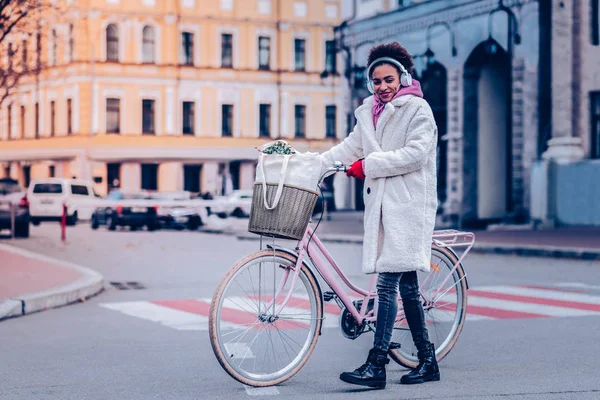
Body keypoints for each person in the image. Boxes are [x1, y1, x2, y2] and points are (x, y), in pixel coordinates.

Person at [319, 42, 439, 389]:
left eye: (389, 79)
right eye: (376, 81)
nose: (383, 87)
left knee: (387, 284)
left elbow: (416, 154)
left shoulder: (418, 109)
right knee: (409, 290)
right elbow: (349, 147)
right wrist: (314, 163)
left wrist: (367, 166)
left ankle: (377, 365)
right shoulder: (368, 111)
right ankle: (427, 361)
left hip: (408, 206)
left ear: (403, 76)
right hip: (383, 207)